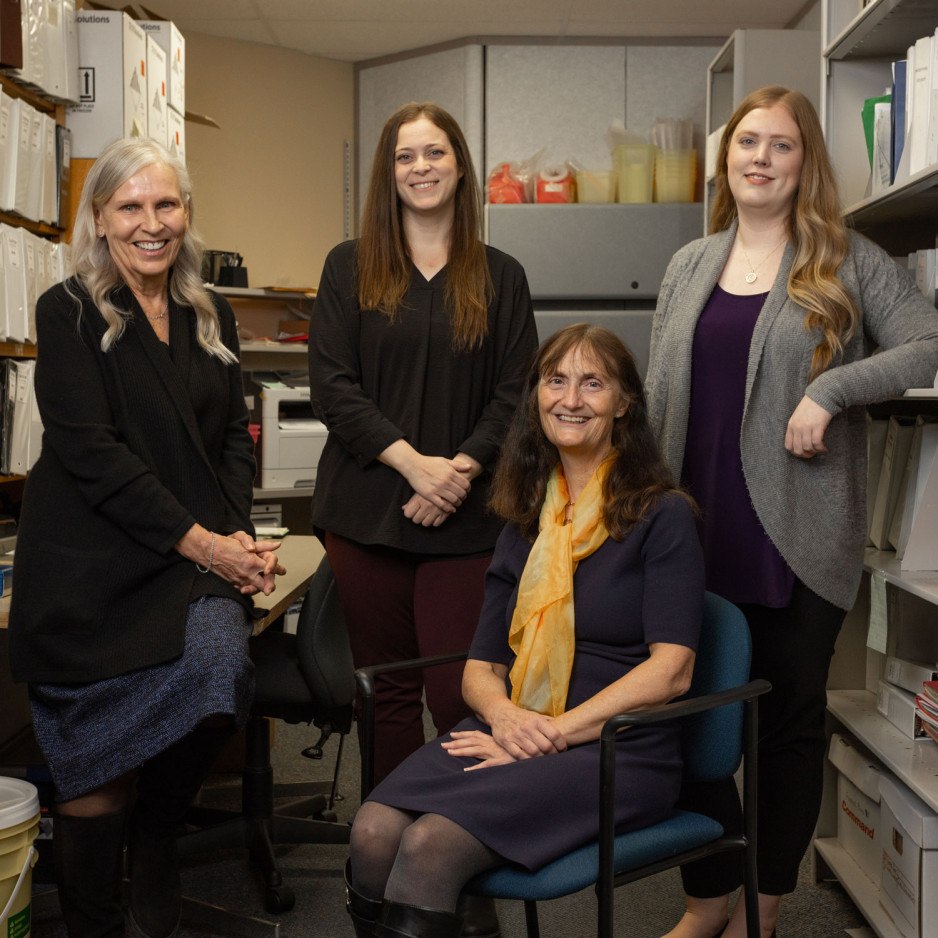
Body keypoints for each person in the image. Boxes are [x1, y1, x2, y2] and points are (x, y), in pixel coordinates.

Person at [645, 86, 938, 938]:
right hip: (689, 530)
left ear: (805, 161)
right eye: (746, 143)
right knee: (686, 719)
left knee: (785, 729)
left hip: (795, 535)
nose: (759, 159)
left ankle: (761, 911)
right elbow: (662, 389)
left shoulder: (846, 259)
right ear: (725, 158)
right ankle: (708, 902)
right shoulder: (688, 263)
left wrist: (831, 388)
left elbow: (928, 341)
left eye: (779, 145)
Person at [343, 323, 705, 938]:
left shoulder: (662, 515)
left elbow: (672, 671)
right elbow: (481, 668)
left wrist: (549, 735)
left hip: (617, 746)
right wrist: (509, 722)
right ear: (535, 397)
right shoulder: (524, 521)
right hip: (520, 726)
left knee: (431, 844)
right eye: (555, 381)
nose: (571, 399)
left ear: (624, 403)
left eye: (593, 383)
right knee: (372, 830)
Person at [7, 137, 285, 938]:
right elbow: (92, 454)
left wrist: (238, 533)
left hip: (187, 551)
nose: (150, 223)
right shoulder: (67, 309)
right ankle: (96, 916)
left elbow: (233, 434)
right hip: (91, 566)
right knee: (93, 768)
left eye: (166, 205)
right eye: (130, 206)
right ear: (100, 217)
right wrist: (207, 544)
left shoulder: (210, 309)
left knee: (221, 666)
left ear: (187, 213)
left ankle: (158, 834)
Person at [309, 100, 538, 787]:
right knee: (385, 694)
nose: (421, 167)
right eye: (405, 156)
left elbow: (518, 392)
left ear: (461, 167)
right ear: (389, 173)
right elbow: (332, 385)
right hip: (366, 515)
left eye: (435, 152)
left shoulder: (501, 275)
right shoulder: (349, 267)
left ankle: (453, 848)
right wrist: (415, 467)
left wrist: (458, 474)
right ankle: (388, 849)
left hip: (467, 522)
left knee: (457, 693)